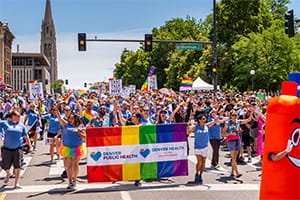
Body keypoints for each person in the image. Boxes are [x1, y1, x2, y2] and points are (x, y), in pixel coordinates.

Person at [0, 111, 32, 188]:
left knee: (17, 166)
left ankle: (16, 183)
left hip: (18, 148)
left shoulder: (21, 126)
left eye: (19, 116)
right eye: (17, 116)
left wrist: (30, 146)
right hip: (7, 148)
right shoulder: (5, 123)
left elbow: (26, 136)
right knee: (5, 165)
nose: (19, 117)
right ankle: (8, 173)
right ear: (13, 116)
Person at [188, 112, 223, 184]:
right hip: (197, 147)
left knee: (203, 162)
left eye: (205, 118)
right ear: (199, 120)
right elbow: (188, 132)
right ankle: (197, 173)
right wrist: (188, 127)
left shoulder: (207, 126)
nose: (205, 120)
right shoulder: (195, 127)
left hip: (205, 147)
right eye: (203, 119)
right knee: (199, 161)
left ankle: (200, 175)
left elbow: (215, 121)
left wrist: (219, 115)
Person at [54, 111, 86, 189]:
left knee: (75, 164)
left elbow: (85, 138)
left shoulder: (80, 126)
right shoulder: (66, 125)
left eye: (71, 119)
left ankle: (74, 180)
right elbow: (59, 118)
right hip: (67, 148)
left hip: (77, 148)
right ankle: (70, 181)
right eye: (69, 118)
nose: (69, 120)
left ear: (75, 119)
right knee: (68, 166)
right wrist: (57, 111)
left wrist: (80, 133)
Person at [223, 110, 253, 178]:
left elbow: (248, 120)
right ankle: (237, 172)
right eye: (233, 115)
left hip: (237, 140)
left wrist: (251, 113)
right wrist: (230, 134)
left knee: (235, 158)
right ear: (230, 116)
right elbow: (223, 134)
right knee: (233, 158)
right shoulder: (227, 123)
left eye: (235, 115)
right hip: (231, 141)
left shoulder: (238, 122)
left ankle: (232, 172)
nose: (234, 117)